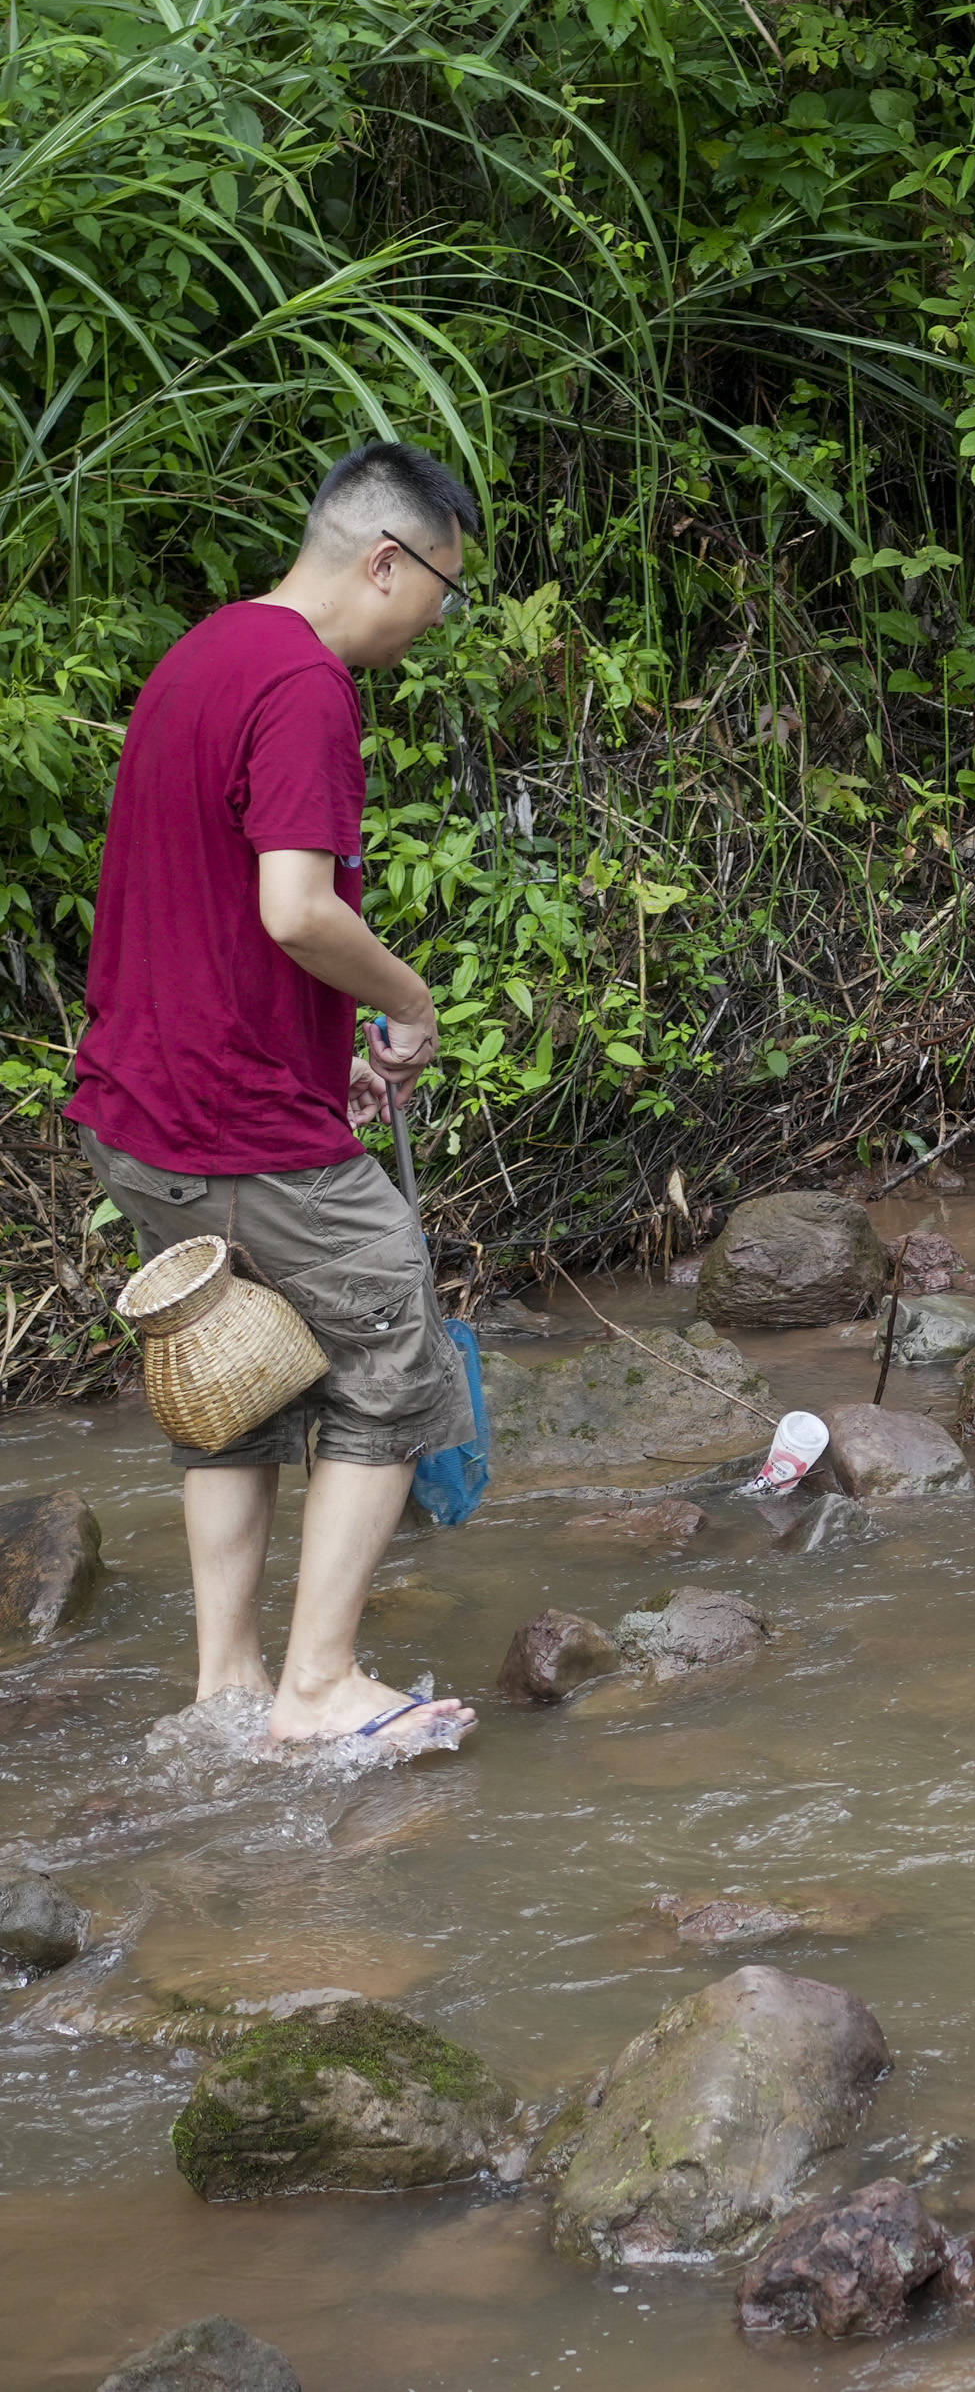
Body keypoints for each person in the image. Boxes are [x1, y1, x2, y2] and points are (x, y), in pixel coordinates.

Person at [68, 442, 482, 1756]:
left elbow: (213, 913)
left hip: (146, 1104)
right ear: (387, 559)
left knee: (235, 1380)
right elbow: (296, 908)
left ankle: (229, 1686)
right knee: (392, 1343)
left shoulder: (207, 653)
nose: (435, 620)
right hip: (235, 1117)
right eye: (444, 590)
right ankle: (320, 1686)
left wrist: (328, 1048)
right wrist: (409, 1002)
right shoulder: (308, 681)